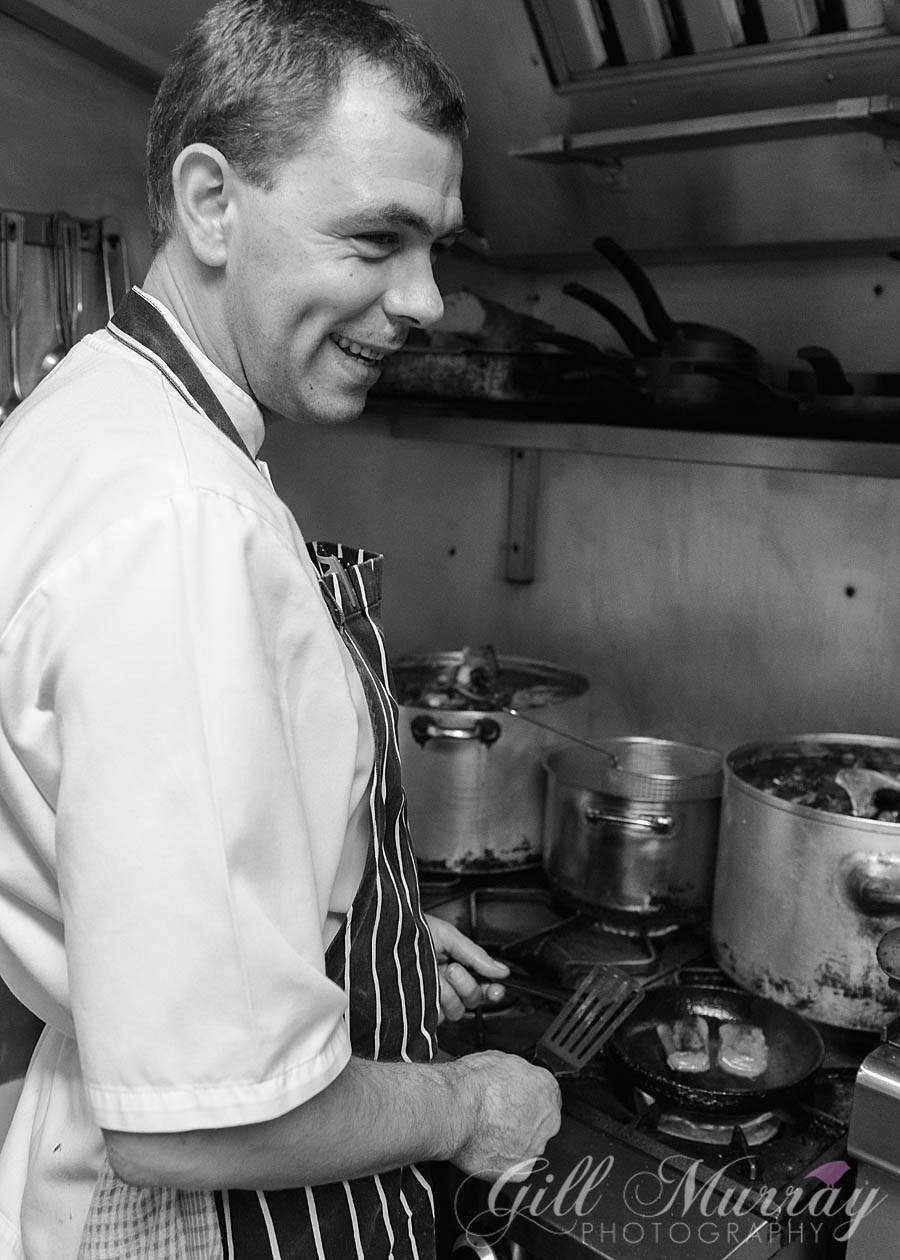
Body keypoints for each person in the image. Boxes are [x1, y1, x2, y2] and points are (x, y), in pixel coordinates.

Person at [0, 1, 562, 1257]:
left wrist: (339, 925)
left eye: (435, 248)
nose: (426, 301)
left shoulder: (100, 412)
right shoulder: (180, 522)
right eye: (376, 238)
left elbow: (106, 839)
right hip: (174, 1217)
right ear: (211, 203)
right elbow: (198, 1127)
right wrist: (469, 1103)